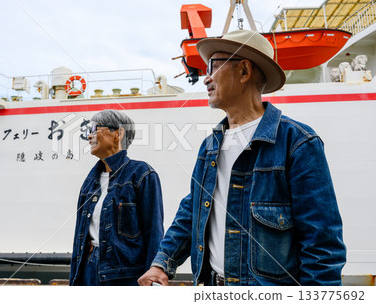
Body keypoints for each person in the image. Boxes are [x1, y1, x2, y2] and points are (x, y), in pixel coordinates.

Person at [138, 30, 346, 286]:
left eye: (213, 67)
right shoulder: (209, 147)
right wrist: (162, 262)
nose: (206, 79)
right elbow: (192, 211)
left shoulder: (298, 143)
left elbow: (322, 246)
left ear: (244, 71)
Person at [69, 109, 164, 286]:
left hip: (125, 277)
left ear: (118, 133)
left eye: (94, 129)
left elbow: (154, 232)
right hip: (88, 273)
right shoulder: (89, 182)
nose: (88, 136)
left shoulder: (142, 174)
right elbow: (79, 241)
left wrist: (153, 278)